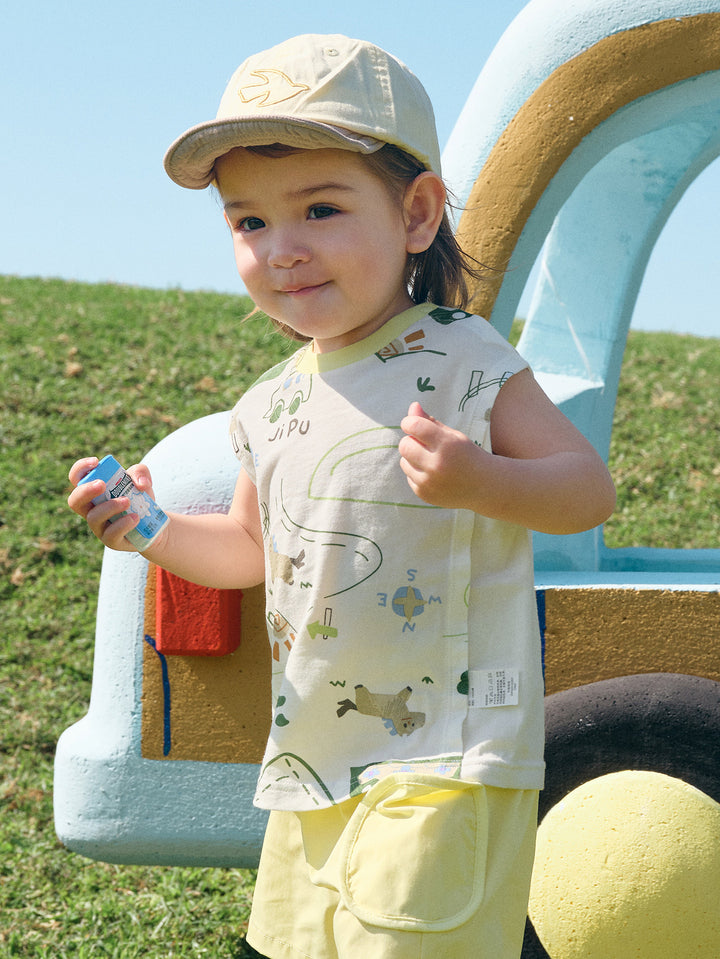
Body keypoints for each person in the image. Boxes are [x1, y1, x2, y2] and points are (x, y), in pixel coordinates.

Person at [68, 34, 616, 959]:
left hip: (446, 758)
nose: (281, 250)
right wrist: (150, 528)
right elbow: (246, 547)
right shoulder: (269, 402)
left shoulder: (460, 354)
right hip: (311, 761)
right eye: (247, 223)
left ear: (416, 212)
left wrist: (483, 479)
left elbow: (586, 491)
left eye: (320, 209)